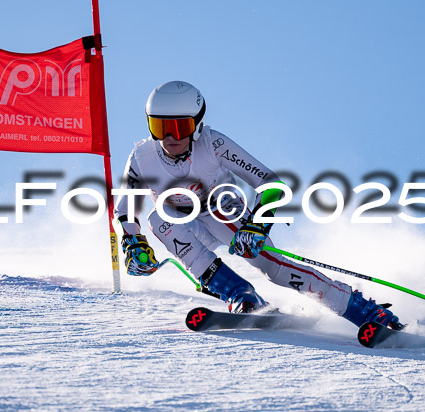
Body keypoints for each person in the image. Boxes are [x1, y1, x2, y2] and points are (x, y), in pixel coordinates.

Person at [114, 80, 403, 330]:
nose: (169, 137)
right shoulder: (141, 157)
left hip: (222, 211)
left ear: (197, 124)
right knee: (158, 220)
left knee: (275, 270)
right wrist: (133, 242)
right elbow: (126, 207)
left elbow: (271, 183)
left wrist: (258, 224)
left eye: (179, 127)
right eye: (159, 126)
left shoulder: (213, 145)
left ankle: (362, 311)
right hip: (185, 222)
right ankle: (240, 294)